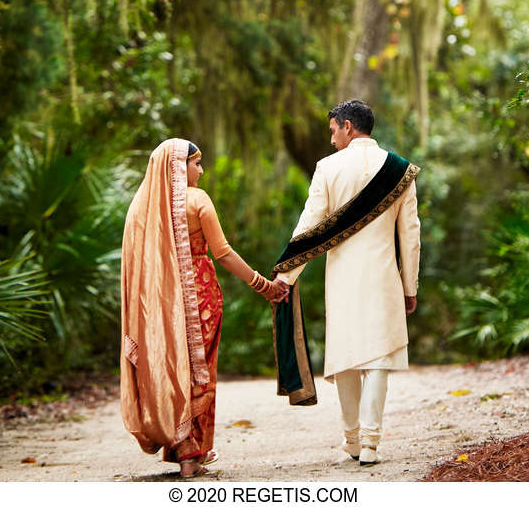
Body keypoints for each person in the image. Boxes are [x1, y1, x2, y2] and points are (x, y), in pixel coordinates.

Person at [120, 138, 288, 478]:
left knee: (170, 367)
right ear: (178, 167)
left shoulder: (142, 208)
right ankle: (191, 454)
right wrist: (264, 286)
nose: (201, 170)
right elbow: (223, 253)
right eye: (196, 163)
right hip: (200, 296)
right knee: (199, 369)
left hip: (157, 307)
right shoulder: (197, 200)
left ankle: (185, 449)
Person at [274, 99, 420, 466]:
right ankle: (370, 443)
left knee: (348, 359)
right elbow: (411, 236)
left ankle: (353, 440)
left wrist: (285, 275)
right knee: (378, 359)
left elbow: (309, 224)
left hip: (341, 280)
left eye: (334, 131)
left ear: (348, 126)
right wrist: (410, 287)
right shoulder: (400, 170)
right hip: (384, 276)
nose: (332, 139)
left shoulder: (327, 168)